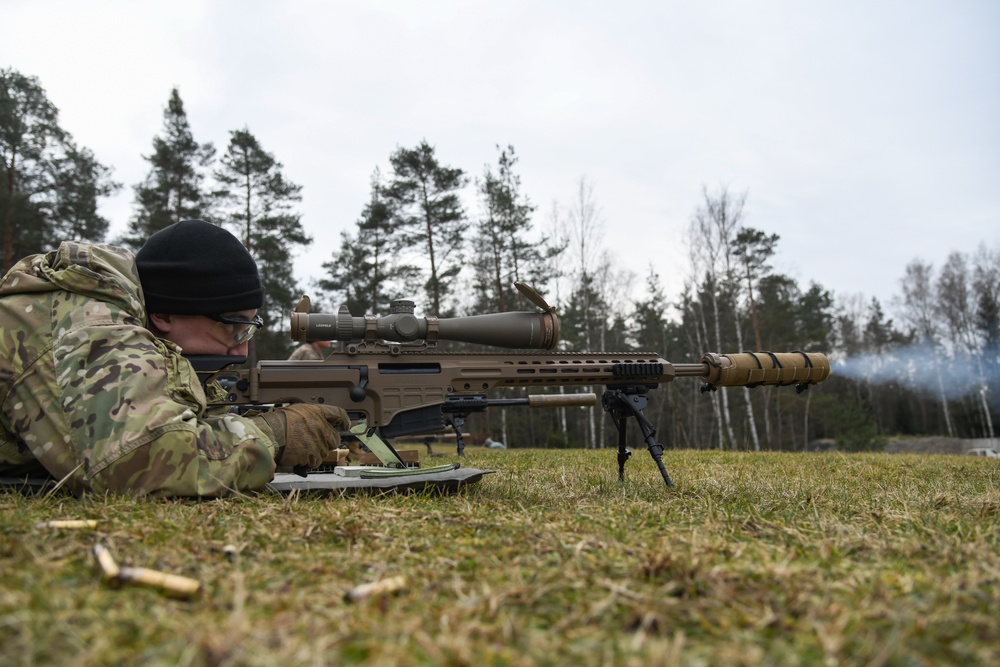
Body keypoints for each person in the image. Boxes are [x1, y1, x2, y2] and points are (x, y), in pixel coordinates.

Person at [0, 220, 350, 497]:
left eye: (249, 328)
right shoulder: (88, 320)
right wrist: (274, 434)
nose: (241, 350)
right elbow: (137, 459)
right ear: (164, 315)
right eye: (232, 326)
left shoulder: (116, 320)